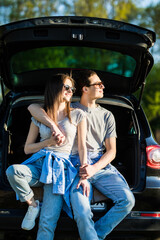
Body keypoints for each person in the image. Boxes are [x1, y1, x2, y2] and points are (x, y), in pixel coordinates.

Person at [28, 70, 135, 240]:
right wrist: (53, 127)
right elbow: (33, 107)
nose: (103, 86)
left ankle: (94, 235)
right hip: (72, 165)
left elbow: (112, 151)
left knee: (128, 200)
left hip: (99, 165)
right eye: (98, 84)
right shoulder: (69, 108)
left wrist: (93, 168)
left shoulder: (107, 116)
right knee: (82, 212)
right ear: (85, 89)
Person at [6, 73, 89, 239]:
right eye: (67, 87)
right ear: (54, 88)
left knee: (47, 221)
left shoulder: (78, 114)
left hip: (60, 170)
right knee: (13, 171)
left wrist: (85, 172)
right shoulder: (39, 116)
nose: (71, 91)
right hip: (40, 163)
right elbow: (28, 149)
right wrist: (48, 142)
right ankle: (32, 205)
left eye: (72, 89)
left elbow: (82, 147)